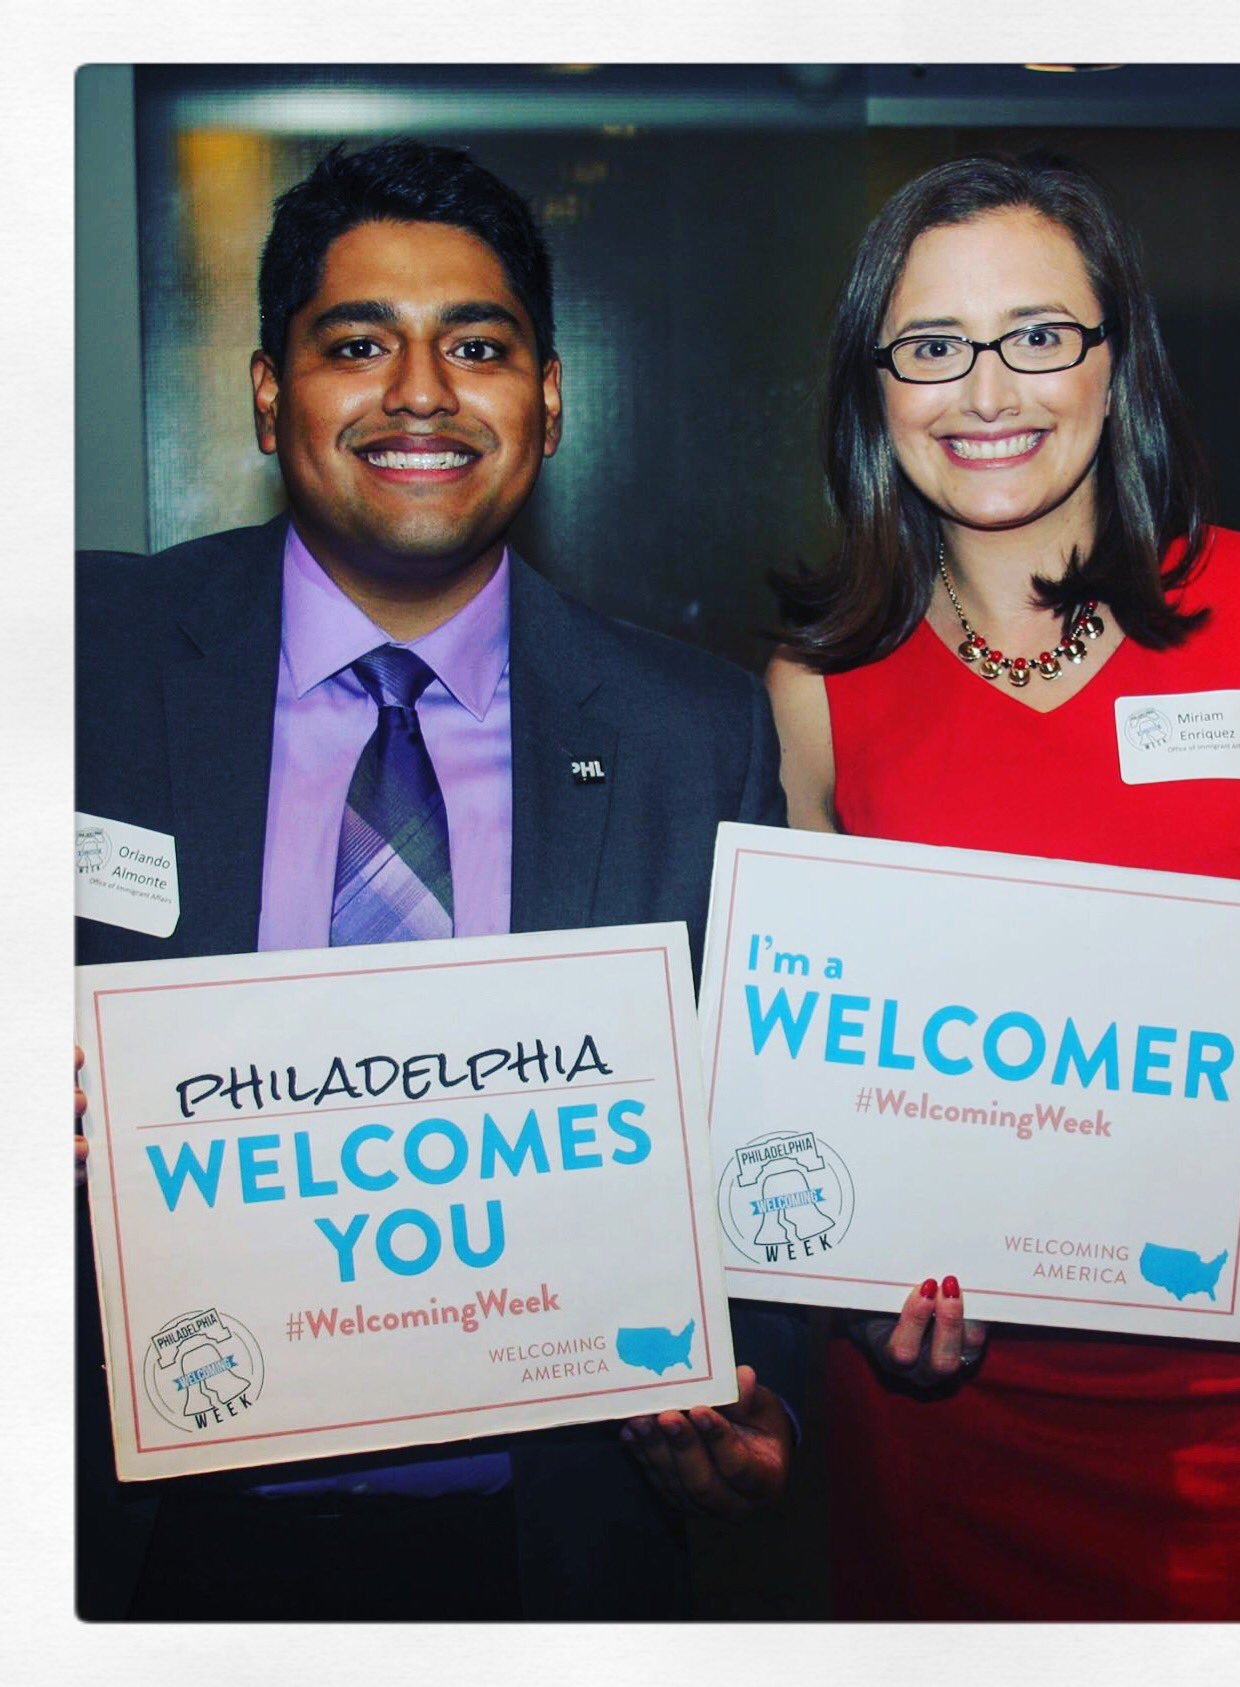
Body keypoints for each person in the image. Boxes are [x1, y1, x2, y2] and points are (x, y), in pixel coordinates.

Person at [74, 139, 802, 1620]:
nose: (421, 391)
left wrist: (760, 1403)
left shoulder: (691, 732)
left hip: (544, 1549)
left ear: (548, 399)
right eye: (358, 344)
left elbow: (747, 1142)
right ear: (272, 396)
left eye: (477, 345)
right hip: (132, 1540)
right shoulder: (79, 661)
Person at [766, 152, 1240, 1619]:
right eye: (933, 348)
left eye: (1041, 336)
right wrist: (852, 1293)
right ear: (876, 387)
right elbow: (796, 1078)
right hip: (955, 1418)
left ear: (1120, 362)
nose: (989, 392)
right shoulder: (820, 688)